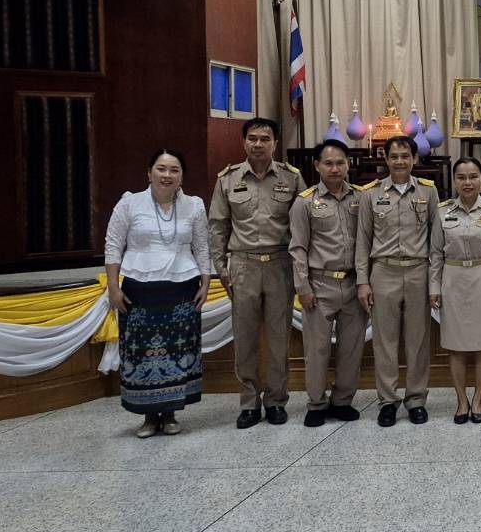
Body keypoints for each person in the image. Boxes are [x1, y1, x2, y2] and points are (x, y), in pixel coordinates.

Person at [104, 149, 211, 438]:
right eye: (161, 169)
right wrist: (113, 288)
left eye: (174, 170)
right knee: (142, 355)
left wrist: (206, 281)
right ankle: (149, 416)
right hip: (140, 289)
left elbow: (202, 246)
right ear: (149, 172)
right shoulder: (129, 204)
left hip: (182, 287)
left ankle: (171, 413)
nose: (167, 175)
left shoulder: (194, 206)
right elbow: (113, 246)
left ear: (181, 176)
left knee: (178, 351)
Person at [208, 117, 303, 429]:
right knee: (245, 340)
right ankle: (248, 403)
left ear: (275, 143)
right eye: (253, 138)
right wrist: (221, 268)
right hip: (243, 266)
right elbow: (218, 227)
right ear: (243, 142)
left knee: (279, 339)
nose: (258, 144)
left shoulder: (291, 178)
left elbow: (303, 227)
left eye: (265, 139)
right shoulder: (228, 179)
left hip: (280, 266)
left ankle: (276, 401)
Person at [356, 135, 439, 427]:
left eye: (405, 156)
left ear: (414, 159)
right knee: (384, 342)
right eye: (394, 156)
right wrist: (363, 282)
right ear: (386, 159)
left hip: (418, 271)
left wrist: (435, 282)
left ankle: (416, 399)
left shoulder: (428, 192)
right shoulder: (370, 194)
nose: (400, 161)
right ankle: (387, 401)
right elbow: (363, 241)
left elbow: (436, 240)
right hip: (384, 272)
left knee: (418, 341)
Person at [288, 139, 364, 427]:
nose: (335, 168)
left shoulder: (361, 198)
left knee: (351, 348)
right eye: (329, 163)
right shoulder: (305, 202)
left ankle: (342, 401)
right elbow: (297, 248)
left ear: (348, 165)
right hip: (319, 285)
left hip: (354, 283)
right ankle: (317, 403)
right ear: (317, 166)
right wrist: (303, 288)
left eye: (340, 162)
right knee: (317, 349)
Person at [430, 158, 481, 425]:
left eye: (473, 176)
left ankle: (478, 399)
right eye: (461, 177)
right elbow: (435, 255)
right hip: (452, 280)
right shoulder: (441, 212)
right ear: (454, 181)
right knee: (455, 346)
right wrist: (434, 287)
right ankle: (461, 401)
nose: (467, 182)